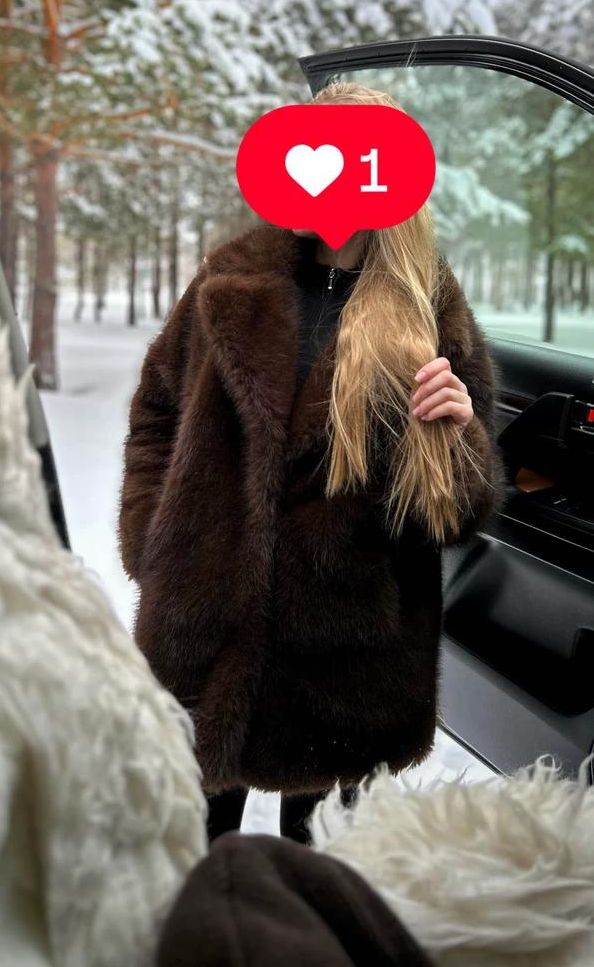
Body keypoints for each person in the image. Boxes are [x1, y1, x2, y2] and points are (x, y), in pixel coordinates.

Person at [118, 81, 505, 844]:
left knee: (322, 861)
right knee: (186, 848)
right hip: (204, 620)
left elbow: (452, 515)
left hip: (345, 648)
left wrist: (455, 435)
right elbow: (156, 411)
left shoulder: (427, 308)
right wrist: (152, 540)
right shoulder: (226, 280)